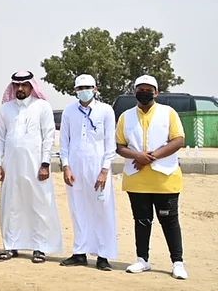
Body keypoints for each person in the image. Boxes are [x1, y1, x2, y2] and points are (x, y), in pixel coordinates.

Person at [116, 74, 188, 279]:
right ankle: (142, 259)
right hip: (136, 179)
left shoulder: (168, 113)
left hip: (165, 178)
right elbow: (120, 146)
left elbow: (178, 140)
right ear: (134, 92)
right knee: (141, 221)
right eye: (141, 89)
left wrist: (150, 157)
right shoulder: (125, 116)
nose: (144, 93)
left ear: (156, 92)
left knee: (169, 221)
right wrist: (136, 156)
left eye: (149, 90)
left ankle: (177, 262)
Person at [0, 70, 63, 262]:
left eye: (24, 85)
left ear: (31, 86)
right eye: (17, 85)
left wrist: (45, 164)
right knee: (11, 205)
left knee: (39, 205)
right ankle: (11, 245)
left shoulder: (42, 106)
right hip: (11, 166)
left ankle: (40, 247)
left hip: (36, 165)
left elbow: (48, 137)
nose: (20, 88)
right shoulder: (6, 109)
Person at [59, 74, 117, 270]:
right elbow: (64, 142)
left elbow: (110, 144)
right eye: (80, 88)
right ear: (75, 91)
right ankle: (79, 252)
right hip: (75, 166)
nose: (84, 91)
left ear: (95, 88)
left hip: (98, 166)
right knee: (78, 209)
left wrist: (104, 170)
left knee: (102, 209)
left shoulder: (106, 110)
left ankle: (103, 255)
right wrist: (66, 166)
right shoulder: (69, 111)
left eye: (87, 87)